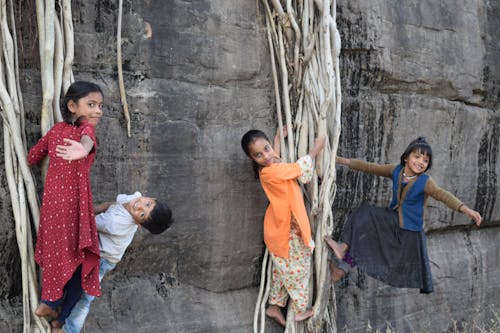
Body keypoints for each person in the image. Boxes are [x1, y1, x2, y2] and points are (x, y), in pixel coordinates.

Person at [325, 137, 482, 293]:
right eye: (417, 156)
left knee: (364, 220)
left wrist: (466, 210)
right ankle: (340, 267)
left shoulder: (426, 181)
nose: (421, 162)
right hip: (392, 220)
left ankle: (341, 257)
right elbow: (371, 167)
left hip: (408, 232)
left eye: (425, 160)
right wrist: (341, 160)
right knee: (362, 228)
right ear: (406, 157)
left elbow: (444, 195)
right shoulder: (397, 171)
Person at [28, 81, 105, 322]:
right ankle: (52, 306)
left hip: (51, 206)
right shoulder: (85, 131)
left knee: (55, 251)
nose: (98, 111)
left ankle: (50, 303)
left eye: (100, 106)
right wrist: (82, 150)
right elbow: (87, 140)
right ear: (72, 106)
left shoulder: (55, 131)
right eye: (91, 105)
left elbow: (32, 157)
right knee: (83, 257)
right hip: (74, 206)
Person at [51, 192, 173, 333]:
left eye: (142, 215)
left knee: (85, 296)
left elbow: (87, 223)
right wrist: (96, 208)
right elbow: (112, 204)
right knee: (73, 282)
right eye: (147, 204)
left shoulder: (114, 223)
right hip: (96, 250)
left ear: (138, 224)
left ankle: (69, 329)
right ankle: (59, 316)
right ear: (152, 198)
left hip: (103, 259)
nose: (139, 206)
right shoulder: (134, 198)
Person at [241, 129, 326, 326]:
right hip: (285, 231)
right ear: (251, 158)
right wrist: (315, 149)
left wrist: (278, 140)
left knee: (282, 270)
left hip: (282, 229)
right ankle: (299, 310)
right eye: (258, 155)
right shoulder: (270, 172)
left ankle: (274, 307)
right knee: (299, 268)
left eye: (267, 148)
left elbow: (276, 161)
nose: (266, 156)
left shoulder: (270, 167)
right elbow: (297, 170)